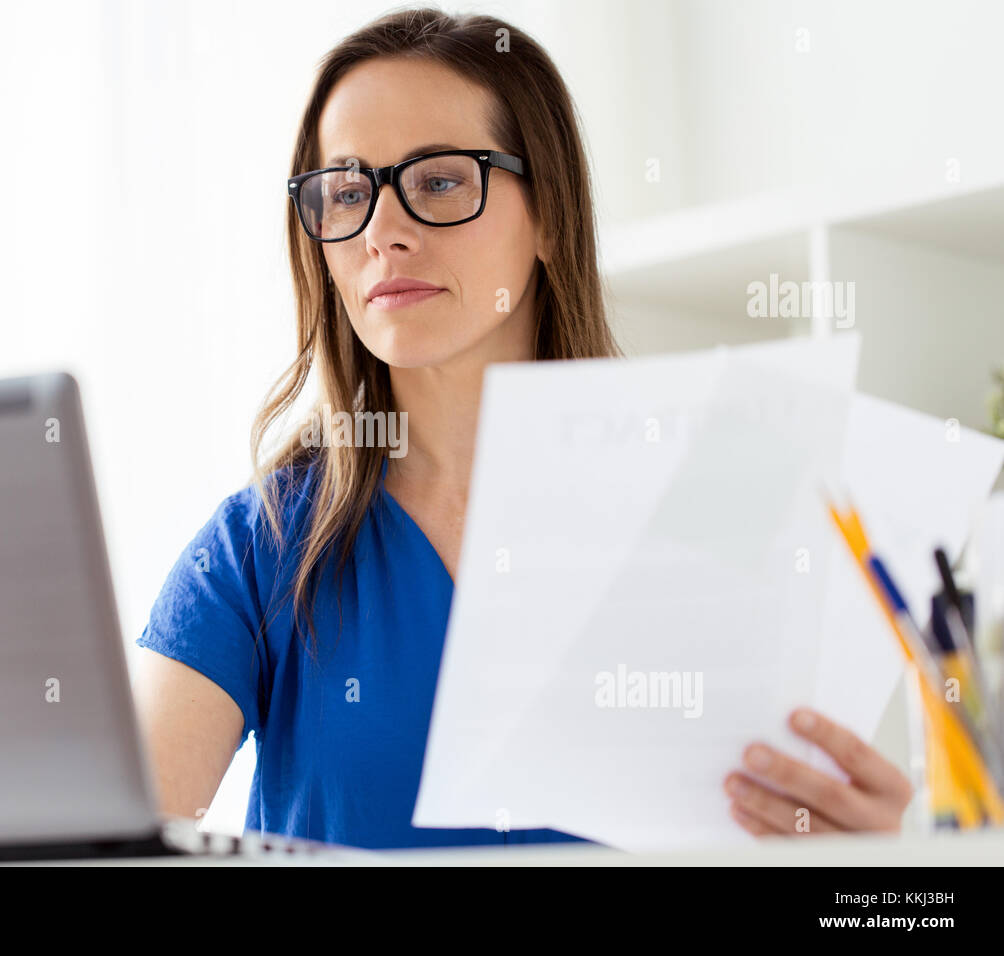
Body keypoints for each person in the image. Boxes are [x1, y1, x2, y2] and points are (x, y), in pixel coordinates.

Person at [133, 7, 913, 850]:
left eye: (437, 181)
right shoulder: (261, 549)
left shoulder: (719, 501)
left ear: (549, 216)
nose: (384, 233)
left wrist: (870, 868)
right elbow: (98, 842)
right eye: (348, 193)